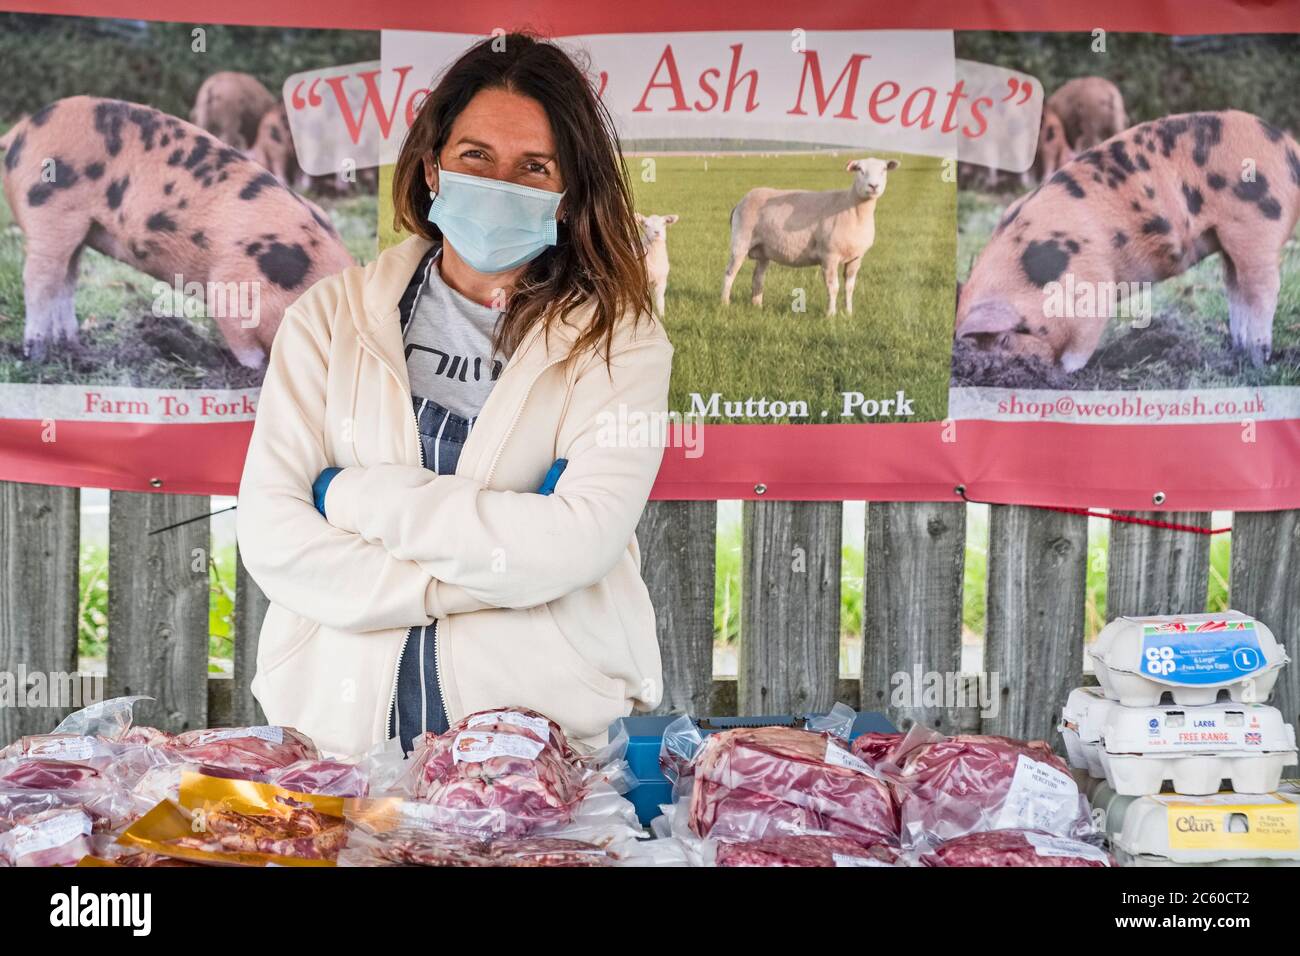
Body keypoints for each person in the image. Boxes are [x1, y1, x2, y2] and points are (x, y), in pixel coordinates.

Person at [235, 32, 673, 758]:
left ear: (567, 197)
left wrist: (348, 499)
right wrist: (503, 569)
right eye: (476, 157)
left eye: (535, 167)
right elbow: (276, 540)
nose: (502, 183)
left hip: (538, 760)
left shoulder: (619, 341)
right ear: (433, 167)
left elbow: (579, 543)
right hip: (338, 749)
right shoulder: (330, 320)